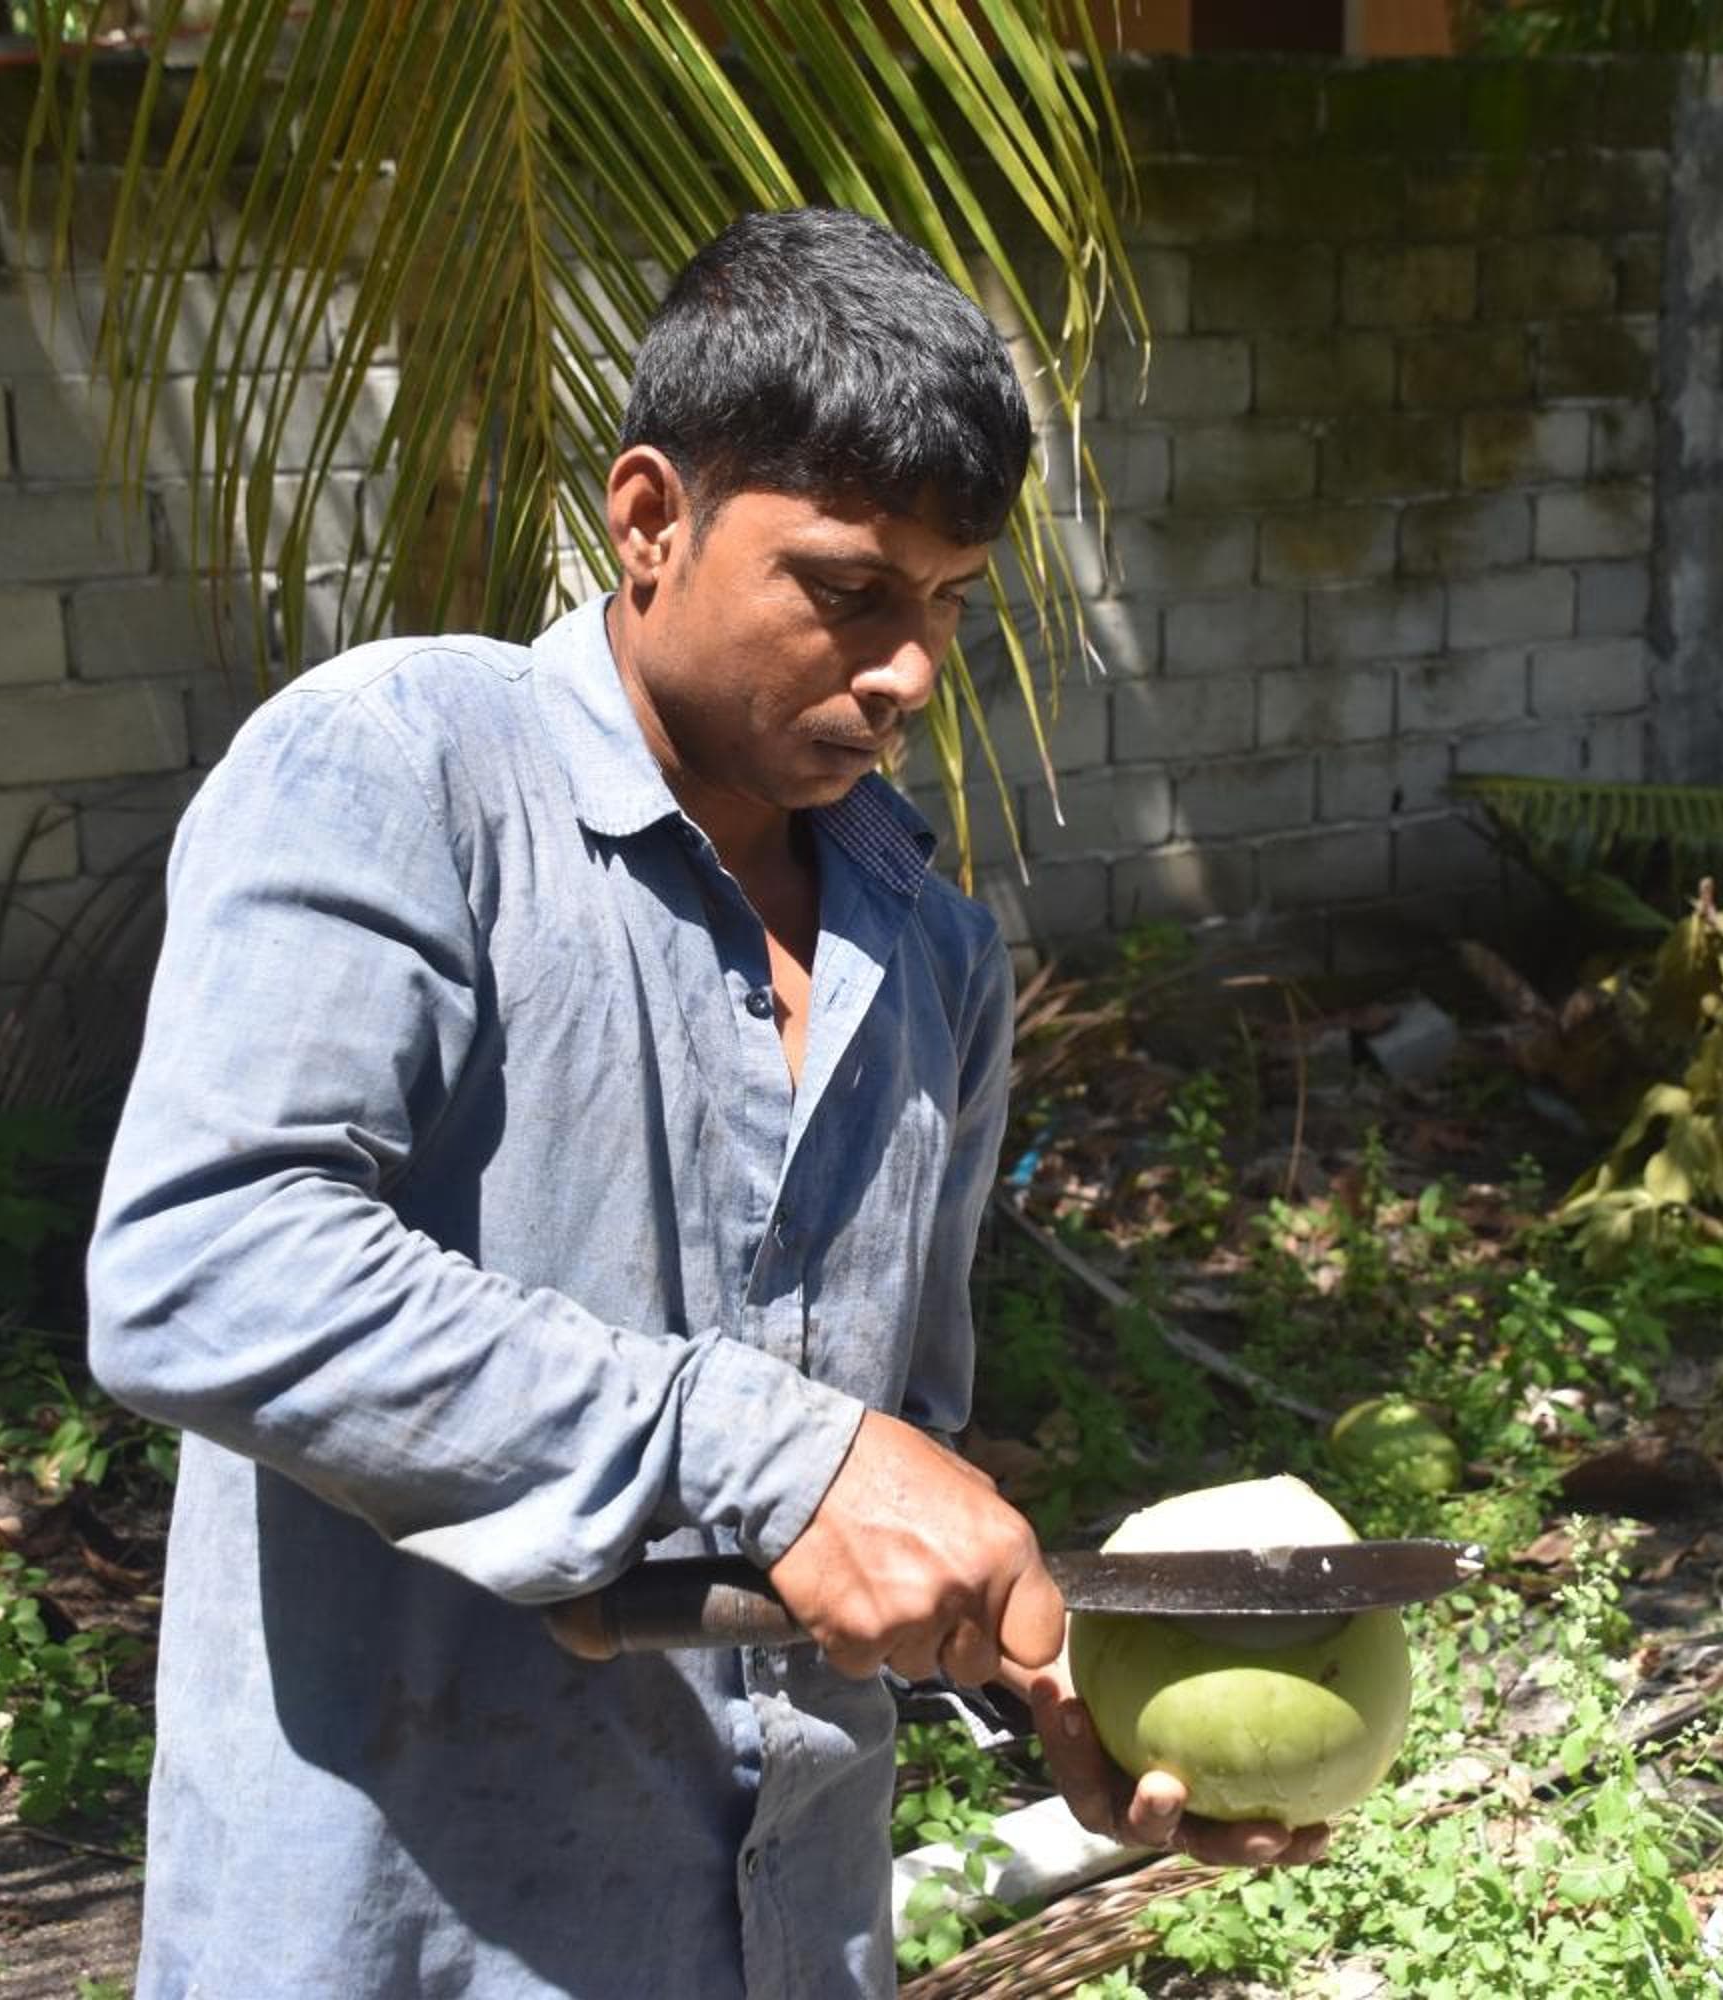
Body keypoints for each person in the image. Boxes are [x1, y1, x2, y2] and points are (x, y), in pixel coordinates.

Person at [86, 205, 1322, 1999]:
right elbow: (208, 1266)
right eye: (849, 591)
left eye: (949, 605)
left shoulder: (933, 959)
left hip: (786, 1932)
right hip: (413, 1933)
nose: (907, 674)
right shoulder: (404, 769)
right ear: (651, 517)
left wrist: (1060, 1679)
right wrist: (774, 1450)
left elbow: (877, 1486)